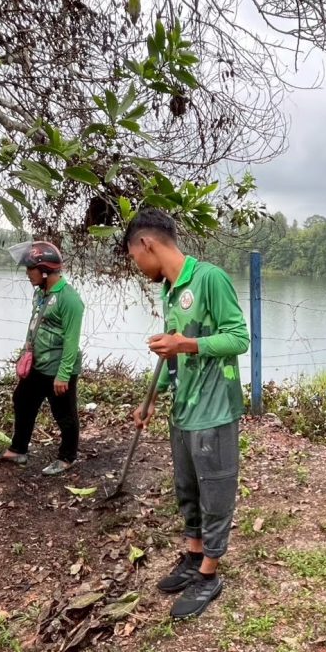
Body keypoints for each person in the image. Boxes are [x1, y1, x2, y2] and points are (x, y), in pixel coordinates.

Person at [125, 208, 250, 620]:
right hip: (183, 408)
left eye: (134, 257)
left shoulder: (210, 279)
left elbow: (239, 338)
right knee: (187, 488)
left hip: (214, 410)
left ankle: (210, 574)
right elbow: (172, 355)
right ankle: (194, 555)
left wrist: (186, 345)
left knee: (215, 491)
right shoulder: (170, 290)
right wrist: (152, 397)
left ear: (147, 244)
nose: (137, 266)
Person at [0, 241, 84, 476]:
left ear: (45, 270)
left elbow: (71, 340)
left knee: (64, 414)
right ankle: (18, 449)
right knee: (22, 399)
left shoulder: (69, 299)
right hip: (38, 364)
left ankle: (67, 457)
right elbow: (34, 325)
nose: (28, 274)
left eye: (31, 269)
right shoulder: (41, 293)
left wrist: (63, 374)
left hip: (58, 368)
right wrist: (26, 352)